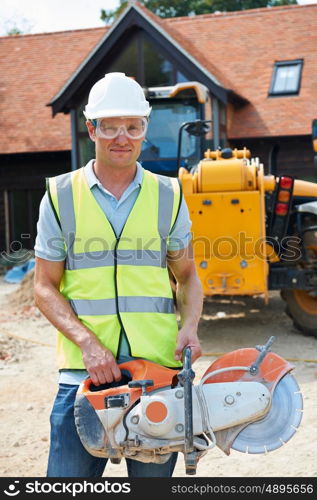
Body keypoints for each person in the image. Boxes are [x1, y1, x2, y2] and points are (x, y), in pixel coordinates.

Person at [34, 72, 203, 477]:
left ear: (145, 128)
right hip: (84, 376)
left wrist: (191, 326)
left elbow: (188, 277)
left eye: (132, 126)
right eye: (109, 126)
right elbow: (43, 287)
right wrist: (87, 345)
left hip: (157, 373)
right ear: (91, 128)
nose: (121, 137)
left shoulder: (170, 194)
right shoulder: (60, 196)